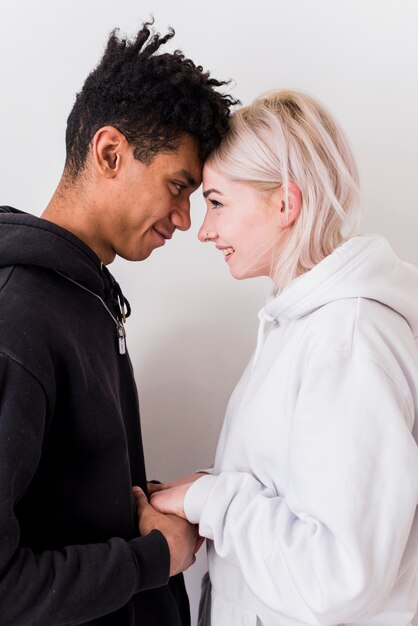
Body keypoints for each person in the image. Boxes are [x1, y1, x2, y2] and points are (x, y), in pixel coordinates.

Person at [150, 89, 418, 625]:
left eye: (218, 202)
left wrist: (211, 500)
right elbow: (295, 490)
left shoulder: (346, 342)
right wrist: (201, 490)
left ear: (285, 203)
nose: (204, 230)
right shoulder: (301, 326)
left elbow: (336, 576)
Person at [0, 21, 237, 626]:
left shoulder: (86, 294)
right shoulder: (16, 317)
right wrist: (152, 559)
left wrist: (155, 500)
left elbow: (63, 500)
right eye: (178, 186)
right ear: (110, 152)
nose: (185, 220)